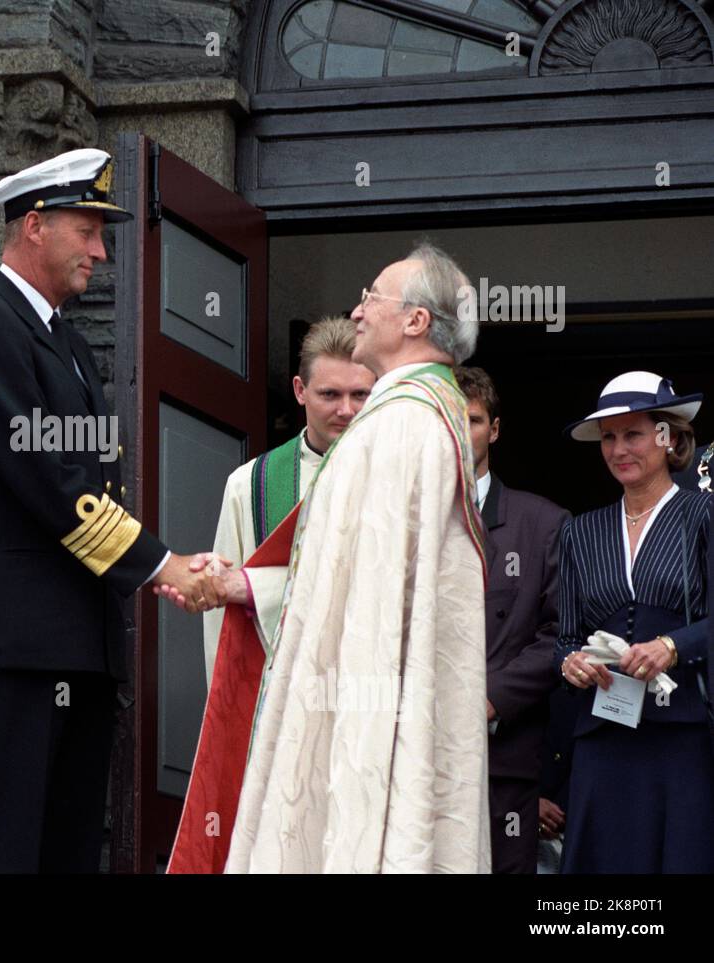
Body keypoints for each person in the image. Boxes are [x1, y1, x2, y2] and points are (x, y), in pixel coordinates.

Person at [0, 147, 226, 873]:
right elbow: (52, 483)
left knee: (64, 854)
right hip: (7, 650)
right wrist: (162, 565)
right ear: (35, 225)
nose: (99, 249)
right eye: (87, 229)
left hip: (69, 647)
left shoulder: (69, 346)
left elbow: (92, 483)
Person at [171, 241, 490, 873]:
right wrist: (242, 588)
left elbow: (371, 603)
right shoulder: (406, 417)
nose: (359, 309)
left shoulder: (404, 423)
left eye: (372, 296)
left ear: (416, 320)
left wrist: (355, 738)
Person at [555, 371, 713, 873]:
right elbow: (563, 636)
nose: (618, 448)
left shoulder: (703, 514)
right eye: (608, 437)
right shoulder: (580, 531)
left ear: (668, 439)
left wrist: (672, 644)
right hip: (604, 738)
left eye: (633, 434)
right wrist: (572, 664)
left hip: (682, 734)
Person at [202, 316, 373, 683]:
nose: (346, 410)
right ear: (300, 390)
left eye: (360, 394)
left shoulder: (401, 478)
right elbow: (224, 618)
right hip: (282, 696)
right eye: (330, 394)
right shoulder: (251, 485)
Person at [455, 366, 569, 874]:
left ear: (494, 429)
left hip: (504, 763)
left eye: (473, 420)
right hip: (410, 759)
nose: (460, 432)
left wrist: (490, 699)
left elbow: (561, 635)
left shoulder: (544, 523)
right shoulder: (400, 520)